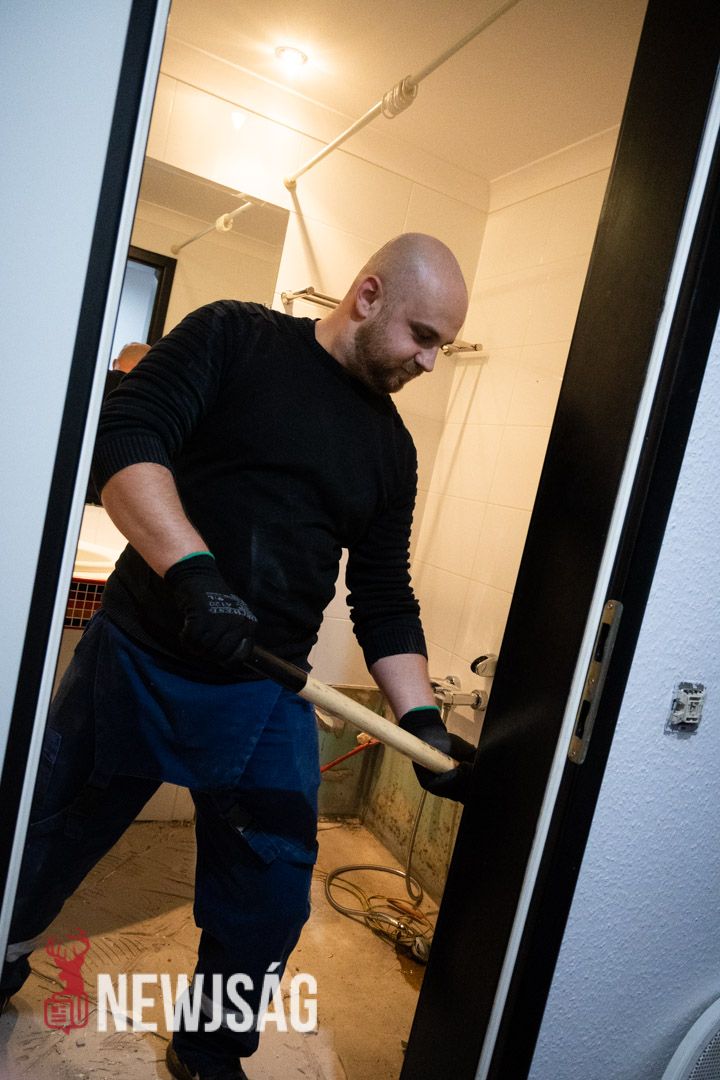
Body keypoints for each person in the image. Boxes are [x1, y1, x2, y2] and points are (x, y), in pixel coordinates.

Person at [1, 233, 476, 1080]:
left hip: (264, 691)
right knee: (44, 845)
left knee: (268, 896)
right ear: (368, 296)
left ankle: (210, 1049)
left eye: (442, 344)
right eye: (423, 335)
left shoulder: (391, 450)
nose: (431, 361)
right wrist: (195, 575)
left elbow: (383, 595)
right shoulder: (234, 336)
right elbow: (127, 438)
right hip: (138, 657)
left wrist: (422, 722)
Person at [85, 342, 150, 504]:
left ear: (115, 363)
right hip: (111, 500)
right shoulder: (149, 401)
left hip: (73, 490)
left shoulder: (91, 381)